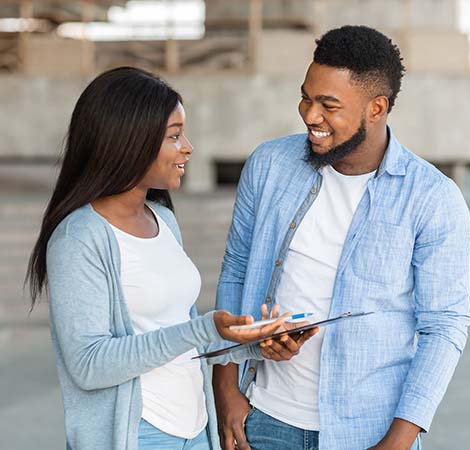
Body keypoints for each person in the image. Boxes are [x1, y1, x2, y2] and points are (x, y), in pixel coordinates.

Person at [25, 67, 315, 450]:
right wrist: (204, 328)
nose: (188, 147)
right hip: (139, 434)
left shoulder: (162, 219)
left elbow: (179, 331)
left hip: (195, 429)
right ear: (130, 141)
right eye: (174, 136)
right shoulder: (80, 237)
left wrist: (253, 344)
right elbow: (89, 365)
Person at [213, 25, 470, 450]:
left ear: (376, 108)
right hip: (264, 418)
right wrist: (225, 389)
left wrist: (397, 442)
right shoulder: (268, 165)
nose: (310, 115)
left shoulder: (433, 198)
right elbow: (237, 271)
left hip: (371, 432)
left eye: (328, 105)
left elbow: (444, 327)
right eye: (306, 97)